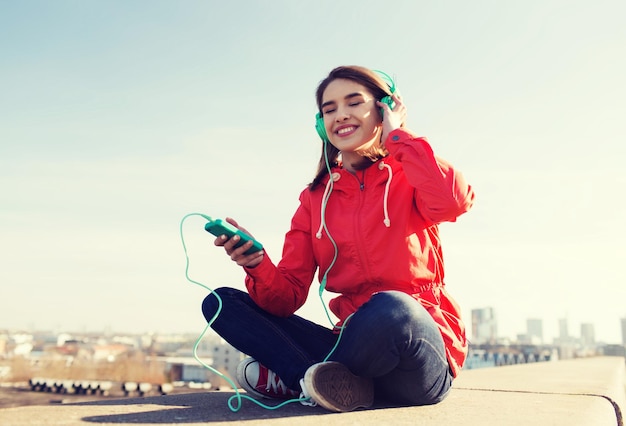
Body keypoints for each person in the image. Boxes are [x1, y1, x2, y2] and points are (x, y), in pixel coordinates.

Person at [201, 65, 475, 412]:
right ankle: (324, 381)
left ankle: (298, 377)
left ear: (384, 110)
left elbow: (453, 201)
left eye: (353, 103)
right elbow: (286, 299)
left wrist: (399, 137)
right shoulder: (315, 198)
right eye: (329, 110)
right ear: (321, 124)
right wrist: (257, 264)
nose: (340, 115)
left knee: (395, 308)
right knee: (221, 303)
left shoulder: (410, 172)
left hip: (415, 353)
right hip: (349, 344)